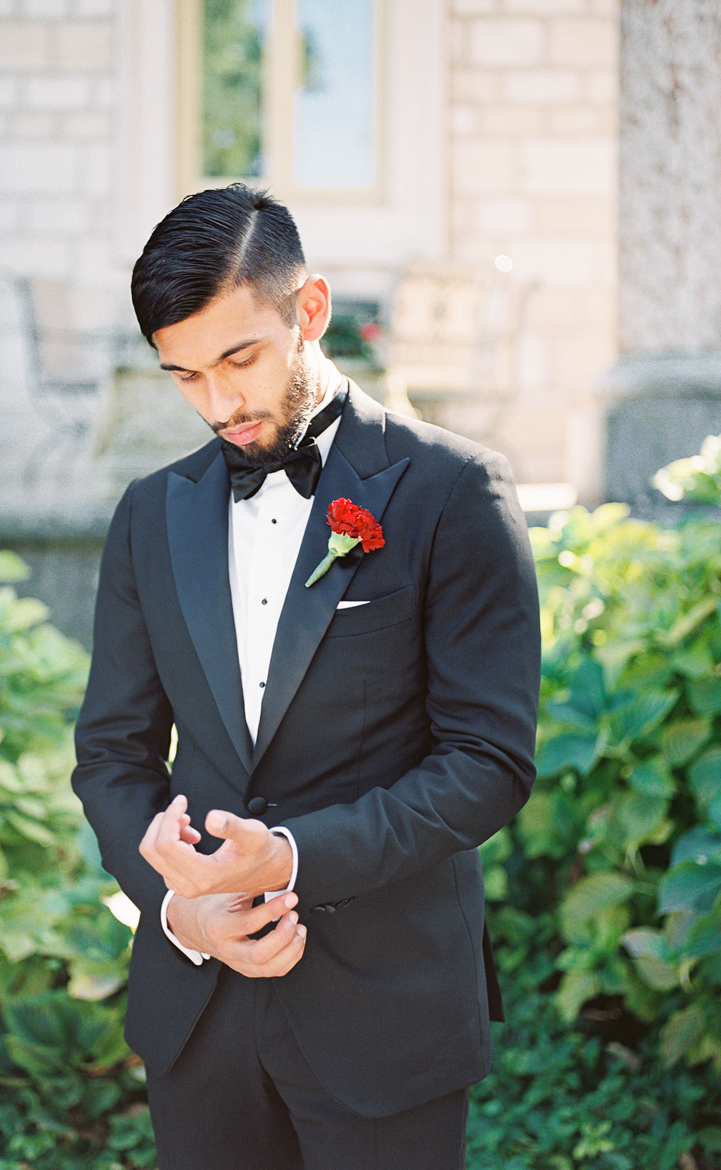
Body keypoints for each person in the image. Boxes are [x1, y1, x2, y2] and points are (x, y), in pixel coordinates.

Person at [72, 184, 538, 1169]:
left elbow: (486, 761)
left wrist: (285, 856)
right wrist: (175, 909)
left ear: (309, 310)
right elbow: (110, 757)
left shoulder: (453, 491)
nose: (217, 404)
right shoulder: (147, 515)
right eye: (183, 375)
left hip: (385, 1016)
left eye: (237, 359)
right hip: (195, 1012)